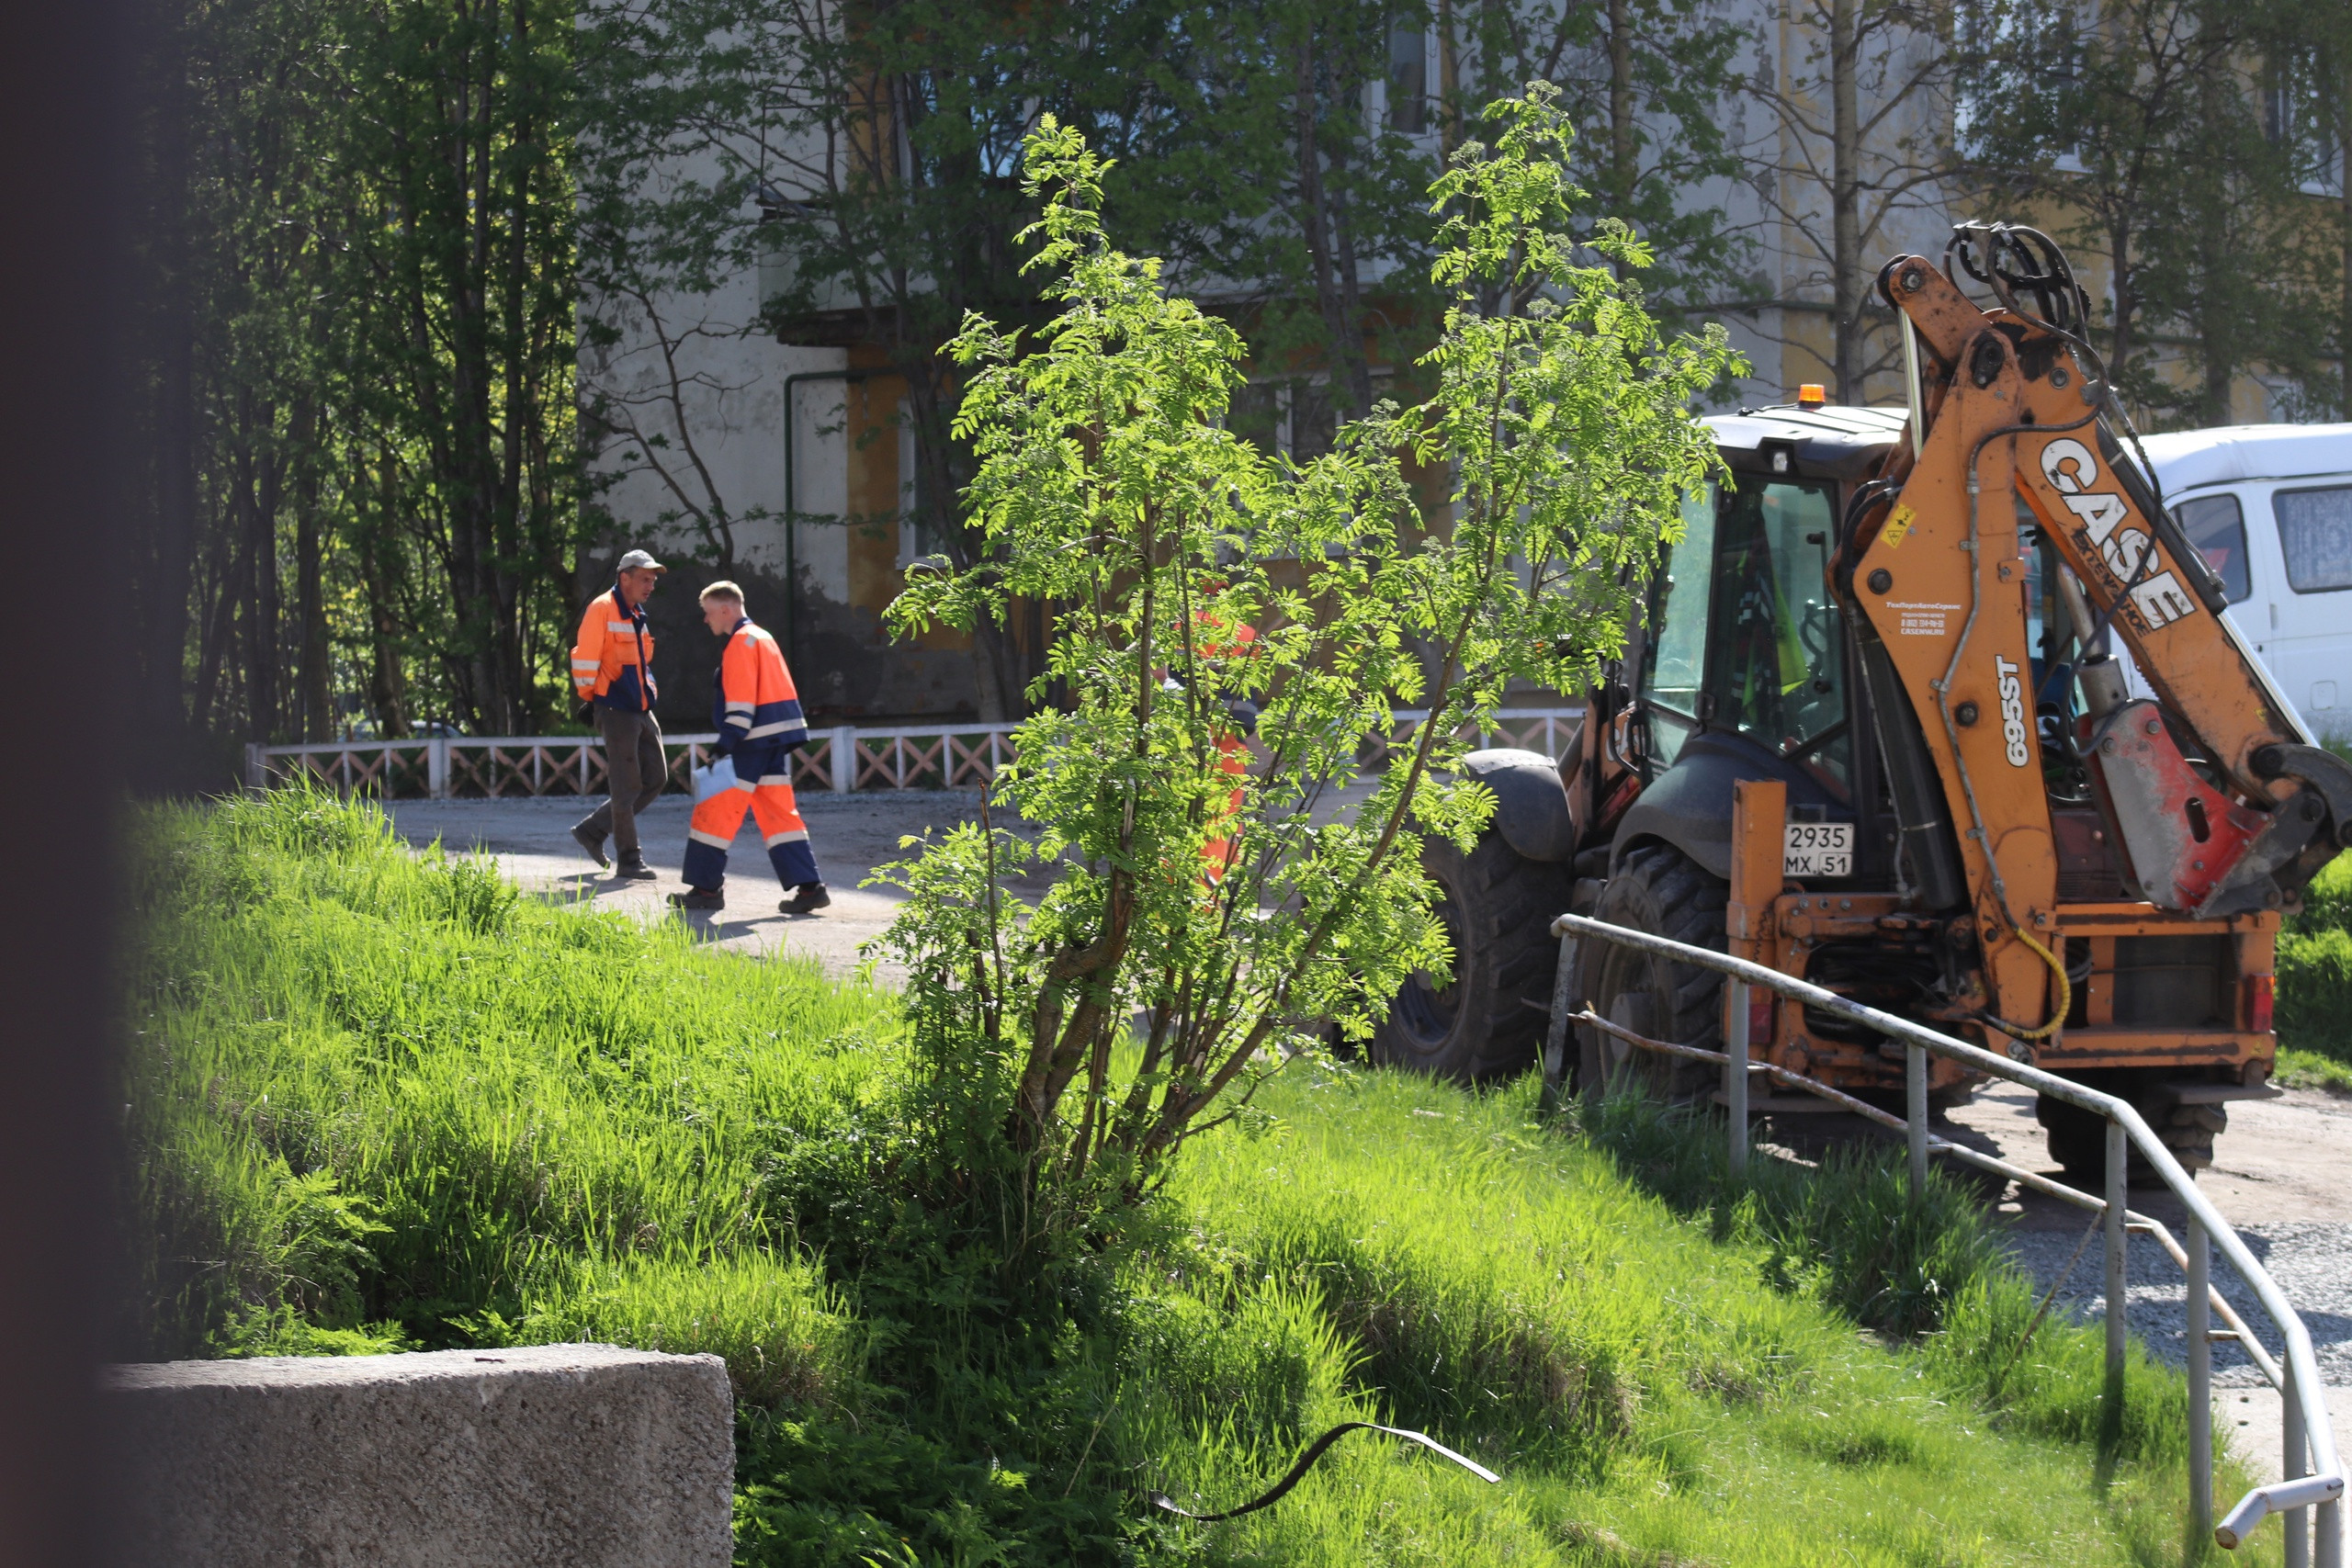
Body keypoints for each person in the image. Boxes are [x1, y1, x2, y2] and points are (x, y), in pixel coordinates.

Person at [667, 581, 831, 915]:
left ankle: (706, 889)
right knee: (779, 816)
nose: (706, 620)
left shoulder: (740, 643)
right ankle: (810, 888)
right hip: (773, 742)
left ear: (726, 609)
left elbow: (741, 703)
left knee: (713, 809)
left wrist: (724, 744)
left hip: (750, 741)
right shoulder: (763, 637)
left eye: (709, 613)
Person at [569, 548, 667, 879]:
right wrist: (594, 700)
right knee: (626, 788)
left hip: (640, 706)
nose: (650, 585)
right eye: (644, 579)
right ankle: (629, 860)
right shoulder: (602, 609)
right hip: (614, 707)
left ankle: (593, 830)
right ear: (624, 577)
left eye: (653, 580)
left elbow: (641, 663)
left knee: (657, 777)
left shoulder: (636, 612)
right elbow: (584, 660)